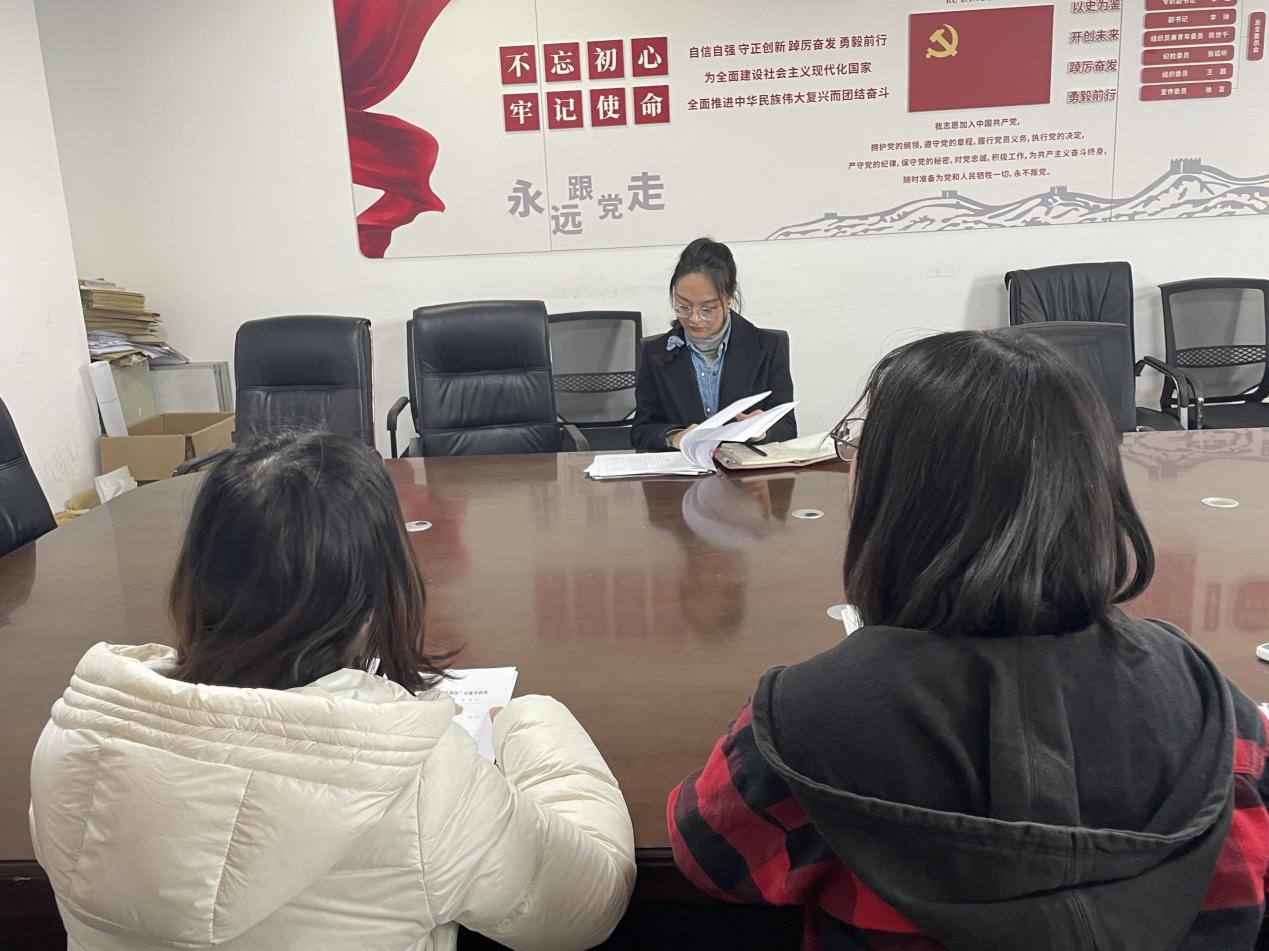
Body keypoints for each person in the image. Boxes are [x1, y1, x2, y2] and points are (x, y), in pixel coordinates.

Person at [667, 330, 1269, 951]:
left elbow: (707, 852)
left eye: (860, 447)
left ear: (895, 496)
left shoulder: (808, 716)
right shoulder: (1207, 704)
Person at [29, 431, 635, 951]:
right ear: (380, 589)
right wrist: (528, 718)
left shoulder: (74, 740)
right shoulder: (420, 785)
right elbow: (588, 903)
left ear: (197, 571)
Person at [631, 237, 796, 451]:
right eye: (683, 306)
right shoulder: (656, 353)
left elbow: (787, 427)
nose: (694, 318)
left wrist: (762, 431)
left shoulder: (767, 347)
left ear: (728, 299)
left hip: (745, 469)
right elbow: (641, 430)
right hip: (685, 469)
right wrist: (674, 437)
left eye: (708, 309)